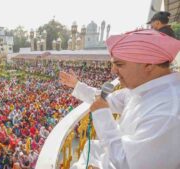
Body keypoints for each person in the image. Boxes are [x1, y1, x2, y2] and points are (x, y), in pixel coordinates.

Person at [60, 29, 180, 169]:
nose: (113, 71)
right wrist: (77, 86)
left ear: (149, 65)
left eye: (119, 64)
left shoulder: (168, 112)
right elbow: (108, 99)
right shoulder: (144, 89)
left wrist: (102, 117)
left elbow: (127, 163)